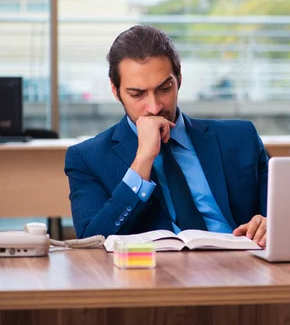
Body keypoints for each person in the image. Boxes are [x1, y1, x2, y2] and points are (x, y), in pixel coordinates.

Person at [64, 25, 269, 246]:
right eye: (137, 94)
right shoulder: (88, 157)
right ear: (116, 91)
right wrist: (142, 160)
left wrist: (270, 223)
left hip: (241, 266)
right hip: (154, 274)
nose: (154, 106)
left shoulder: (241, 137)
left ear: (179, 79)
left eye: (164, 88)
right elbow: (91, 243)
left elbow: (283, 216)